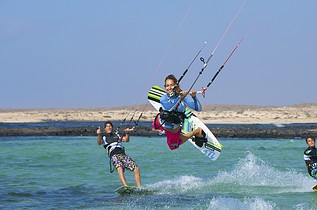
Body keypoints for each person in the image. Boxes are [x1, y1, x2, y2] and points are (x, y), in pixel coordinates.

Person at [153, 74, 206, 150]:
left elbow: (198, 108)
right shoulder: (163, 98)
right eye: (167, 85)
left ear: (176, 86)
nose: (169, 88)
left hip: (173, 128)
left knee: (173, 146)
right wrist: (179, 98)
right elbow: (169, 107)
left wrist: (194, 97)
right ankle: (161, 130)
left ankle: (197, 131)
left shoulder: (183, 98)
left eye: (171, 85)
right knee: (154, 125)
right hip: (161, 122)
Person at [97, 121, 141, 188]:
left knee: (136, 168)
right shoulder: (104, 137)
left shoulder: (117, 135)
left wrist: (127, 133)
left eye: (110, 126)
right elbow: (99, 143)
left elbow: (126, 140)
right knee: (119, 168)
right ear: (105, 129)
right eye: (107, 126)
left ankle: (139, 187)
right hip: (114, 155)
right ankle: (126, 186)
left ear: (112, 127)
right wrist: (99, 134)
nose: (109, 127)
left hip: (123, 155)